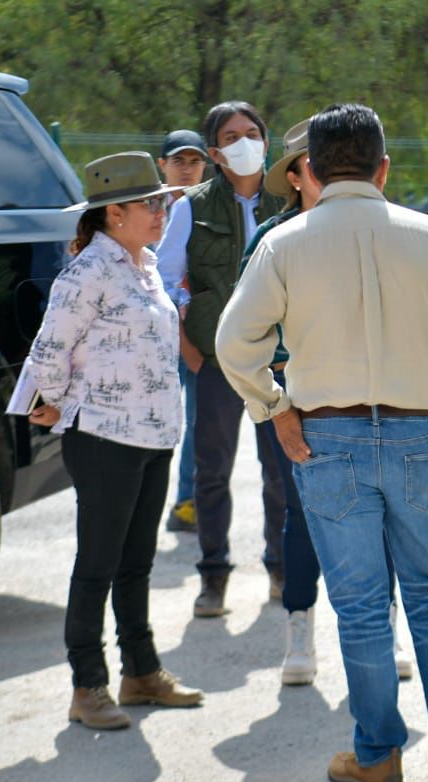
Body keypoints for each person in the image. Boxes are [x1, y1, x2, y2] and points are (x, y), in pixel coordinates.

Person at [215, 103, 428, 782]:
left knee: (359, 605)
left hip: (327, 437)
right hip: (422, 429)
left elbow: (234, 343)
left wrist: (274, 407)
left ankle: (379, 755)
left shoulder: (285, 243)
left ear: (315, 172)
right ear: (384, 168)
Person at [26, 152, 204, 730]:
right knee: (98, 563)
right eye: (149, 204)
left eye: (160, 202)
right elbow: (49, 350)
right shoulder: (87, 273)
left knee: (136, 561)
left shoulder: (144, 264)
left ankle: (141, 673)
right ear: (113, 214)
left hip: (152, 433)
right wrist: (50, 399)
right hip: (102, 434)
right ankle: (87, 686)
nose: (160, 211)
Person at [233, 119, 414, 685]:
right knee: (302, 515)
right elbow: (243, 335)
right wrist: (277, 402)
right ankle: (300, 629)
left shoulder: (380, 226)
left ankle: (386, 625)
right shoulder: (271, 240)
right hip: (295, 399)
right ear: (298, 174)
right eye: (321, 164)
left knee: (379, 514)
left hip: (368, 395)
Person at [156, 101, 288, 617]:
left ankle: (281, 569)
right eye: (231, 137)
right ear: (215, 152)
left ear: (266, 139)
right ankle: (214, 576)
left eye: (251, 132)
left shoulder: (288, 200)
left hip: (276, 363)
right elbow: (167, 281)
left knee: (280, 470)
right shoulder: (192, 206)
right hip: (213, 362)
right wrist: (188, 347)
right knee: (210, 473)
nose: (244, 143)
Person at [157, 129, 210, 533]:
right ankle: (147, 498)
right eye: (179, 161)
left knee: (199, 420)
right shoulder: (149, 208)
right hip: (158, 330)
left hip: (198, 328)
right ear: (163, 165)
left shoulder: (211, 208)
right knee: (159, 417)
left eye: (194, 162)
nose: (187, 169)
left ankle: (188, 502)